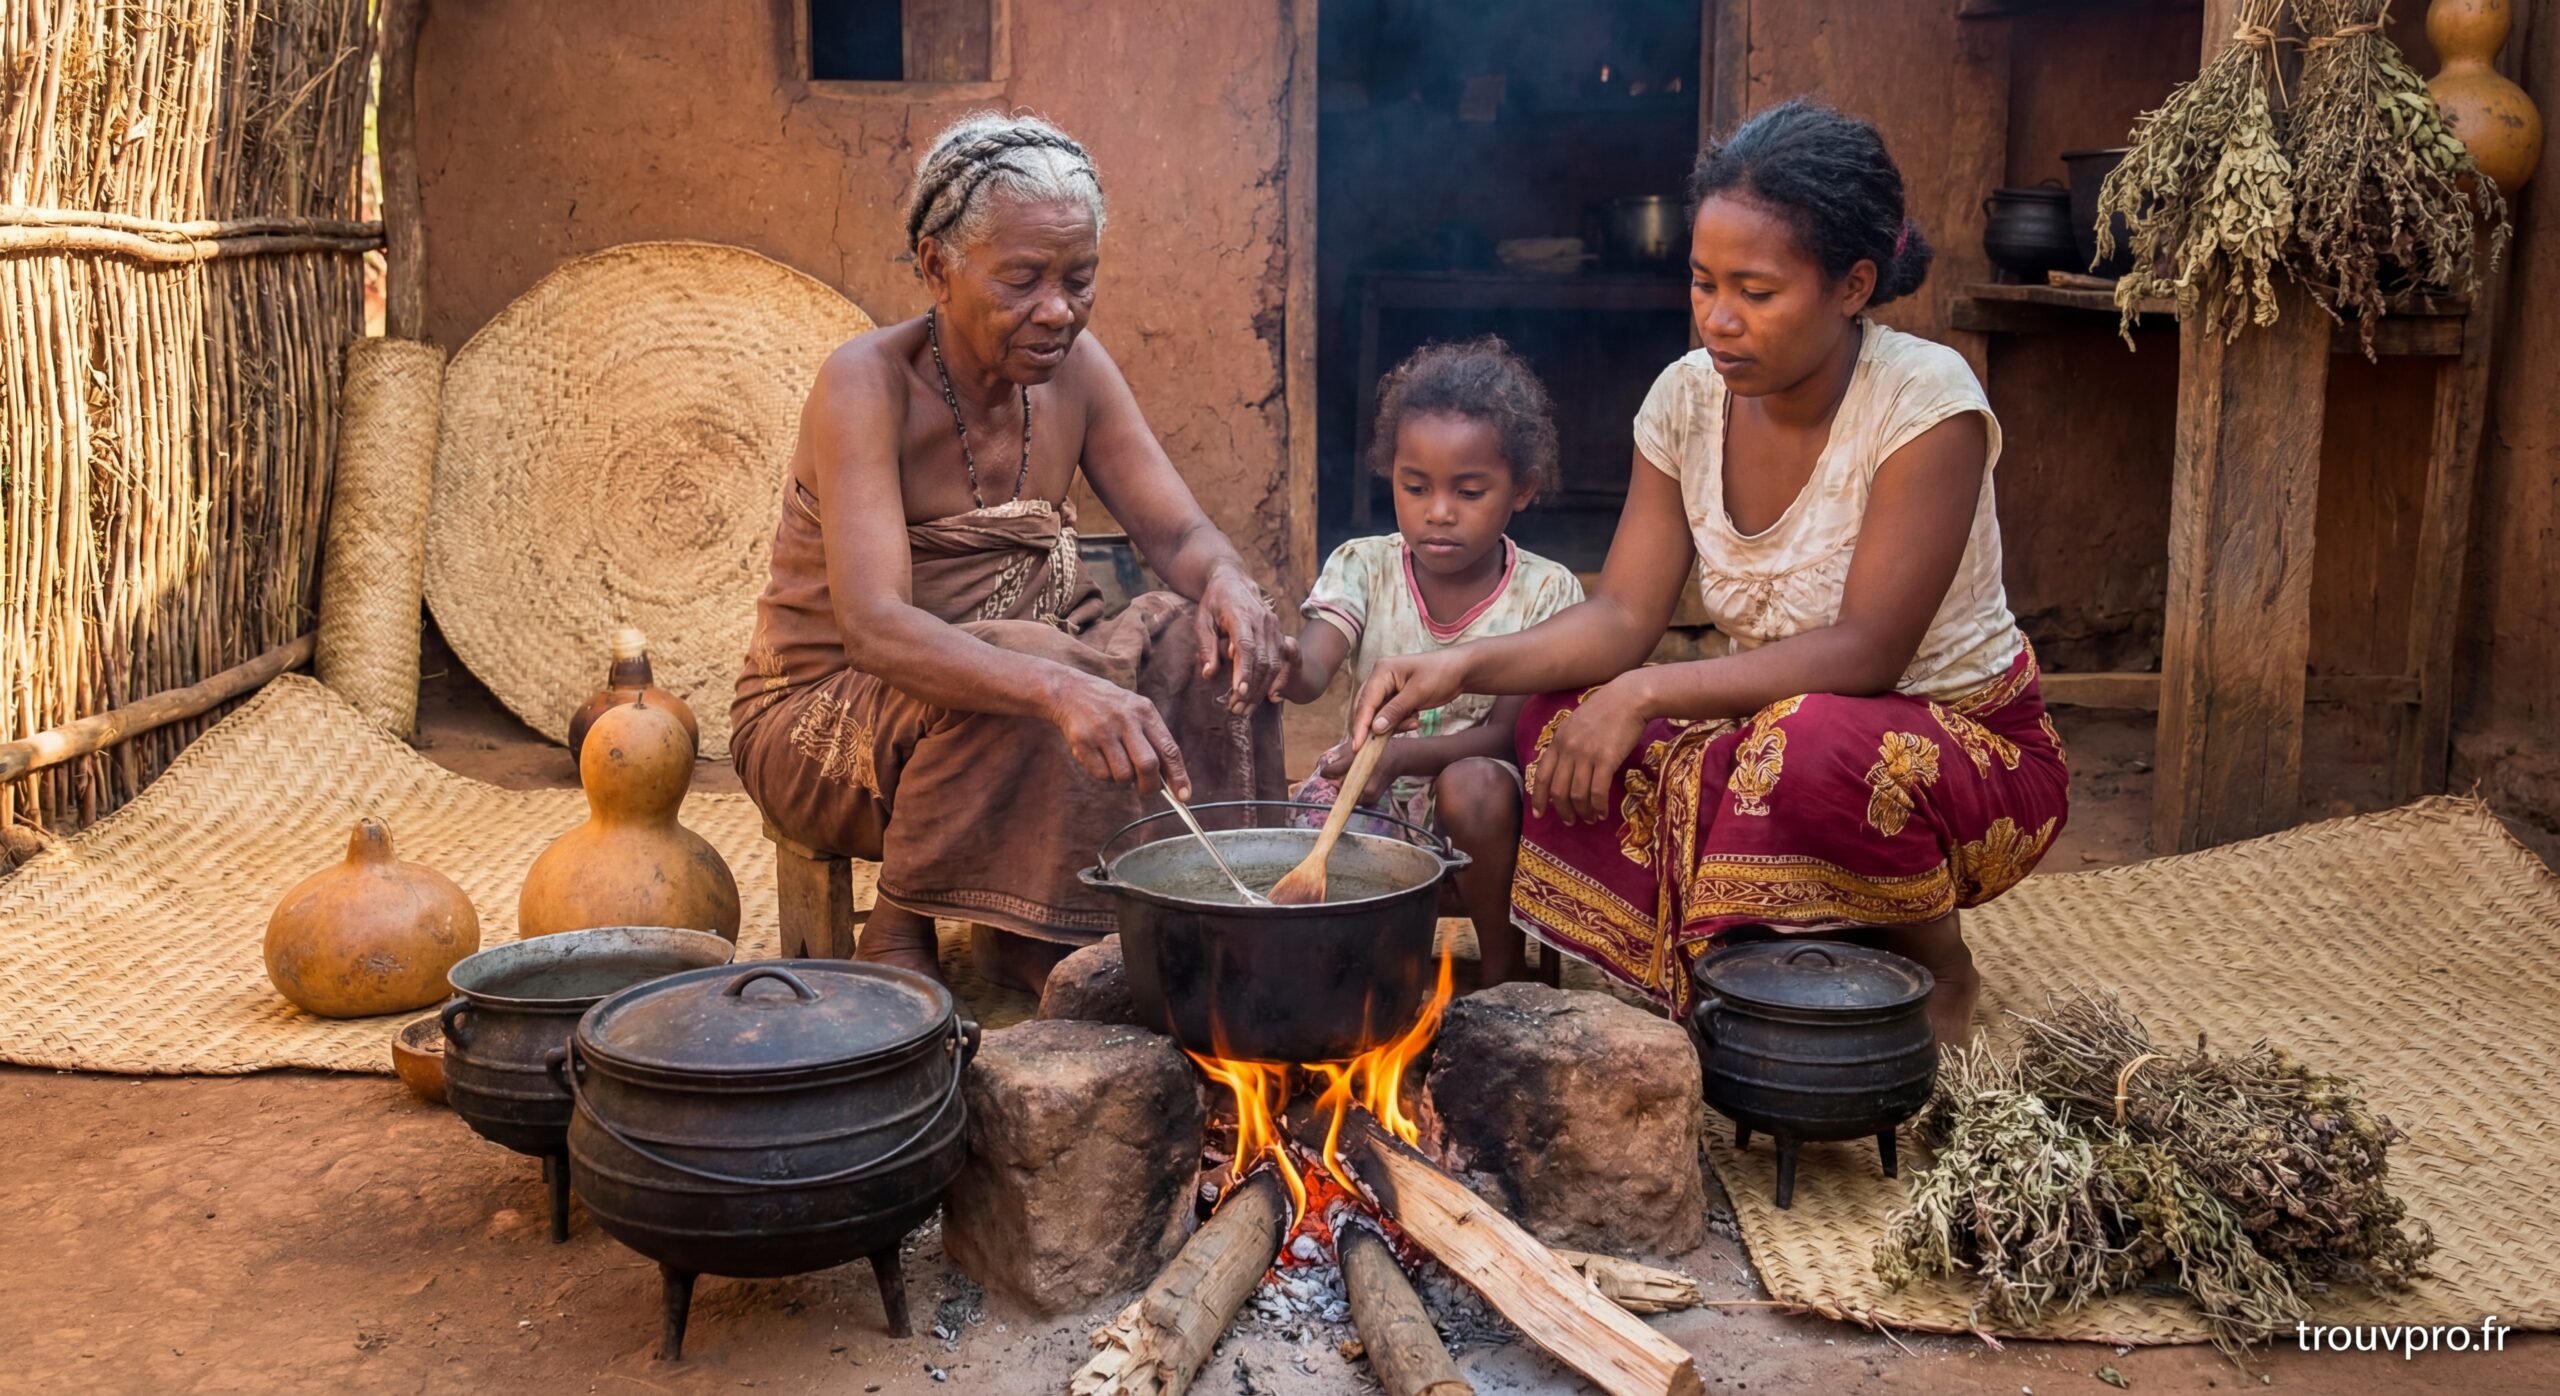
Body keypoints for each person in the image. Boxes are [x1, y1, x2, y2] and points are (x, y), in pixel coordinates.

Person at [1348, 101, 2069, 1044]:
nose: (1718, 319)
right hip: (1767, 724)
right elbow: (1621, 616)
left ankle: (1935, 958)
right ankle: (1744, 949)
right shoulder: (1687, 399)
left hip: (1958, 748)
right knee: (1549, 715)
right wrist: (1464, 665)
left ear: (1853, 285)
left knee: (1809, 746)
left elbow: (1867, 652)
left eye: (1757, 293)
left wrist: (1644, 692)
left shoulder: (1926, 404)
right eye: (1701, 283)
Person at [733, 111, 1292, 993]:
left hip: (1021, 690)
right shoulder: (865, 383)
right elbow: (876, 629)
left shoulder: (1078, 367)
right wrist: (1062, 685)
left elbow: (1179, 535)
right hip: (823, 722)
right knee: (1038, 658)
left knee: (1196, 642)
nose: (1058, 310)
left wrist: (1228, 582)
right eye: (1024, 279)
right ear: (936, 268)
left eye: (1081, 279)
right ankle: (902, 925)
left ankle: (1183, 908)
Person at [1283, 338, 1585, 986]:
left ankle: (1501, 976)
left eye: (1469, 491)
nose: (1438, 513)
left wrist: (1395, 757)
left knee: (1472, 783)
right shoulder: (1363, 567)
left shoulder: (1547, 593)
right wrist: (1279, 659)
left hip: (1490, 817)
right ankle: (1357, 980)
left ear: (1522, 489)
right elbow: (1311, 671)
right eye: (1414, 486)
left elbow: (1505, 736)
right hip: (1375, 791)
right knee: (1301, 823)